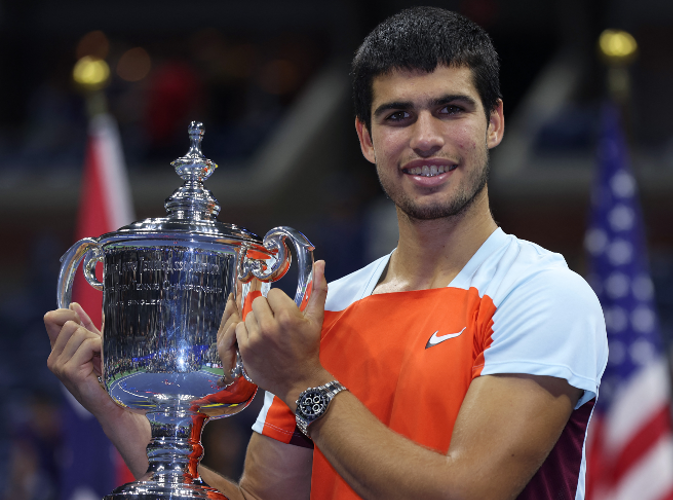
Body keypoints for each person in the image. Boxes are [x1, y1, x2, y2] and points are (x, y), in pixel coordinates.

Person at [45, 7, 607, 500]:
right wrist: (116, 408)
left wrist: (303, 382)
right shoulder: (327, 310)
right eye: (398, 115)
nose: (426, 137)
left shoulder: (544, 295)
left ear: (495, 124)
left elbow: (465, 490)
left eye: (452, 109)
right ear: (366, 139)